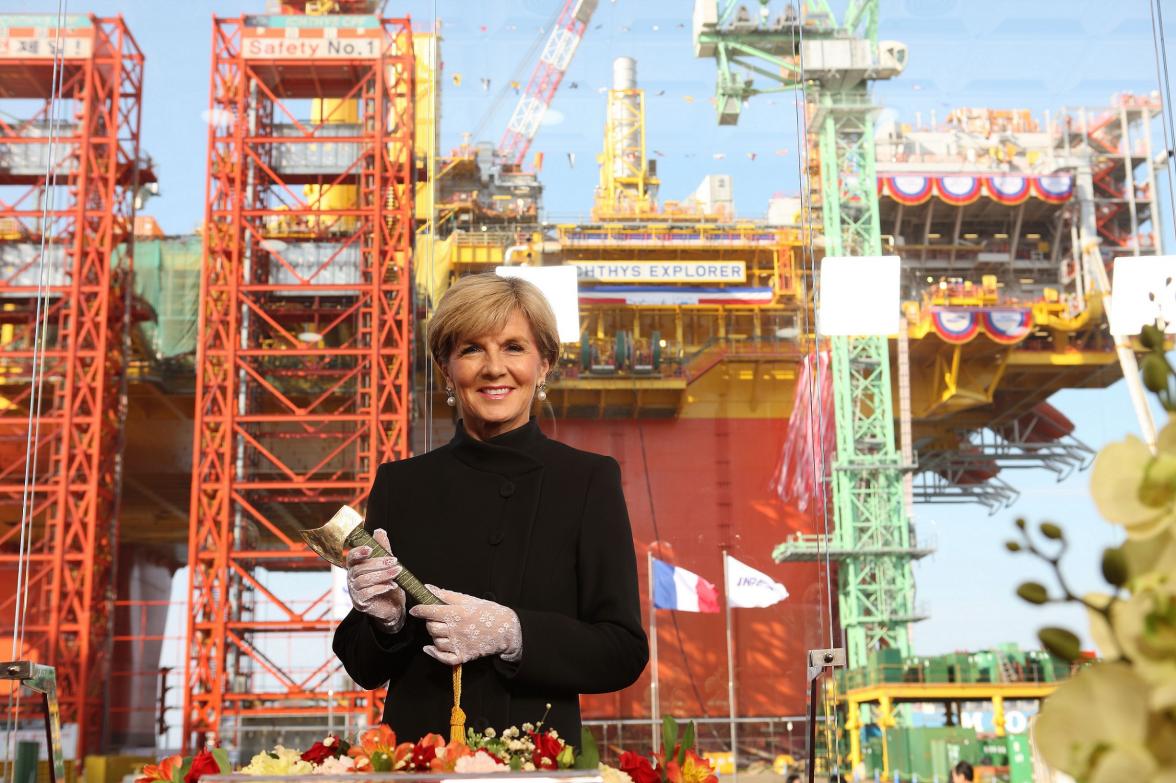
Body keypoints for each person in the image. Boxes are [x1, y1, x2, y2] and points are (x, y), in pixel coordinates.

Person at [333, 272, 649, 742]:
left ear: (544, 365)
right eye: (472, 349)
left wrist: (513, 632)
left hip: (536, 761)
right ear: (447, 369)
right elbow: (364, 666)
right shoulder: (400, 485)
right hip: (418, 761)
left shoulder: (588, 480)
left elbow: (622, 651)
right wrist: (387, 620)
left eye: (514, 347)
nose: (494, 368)